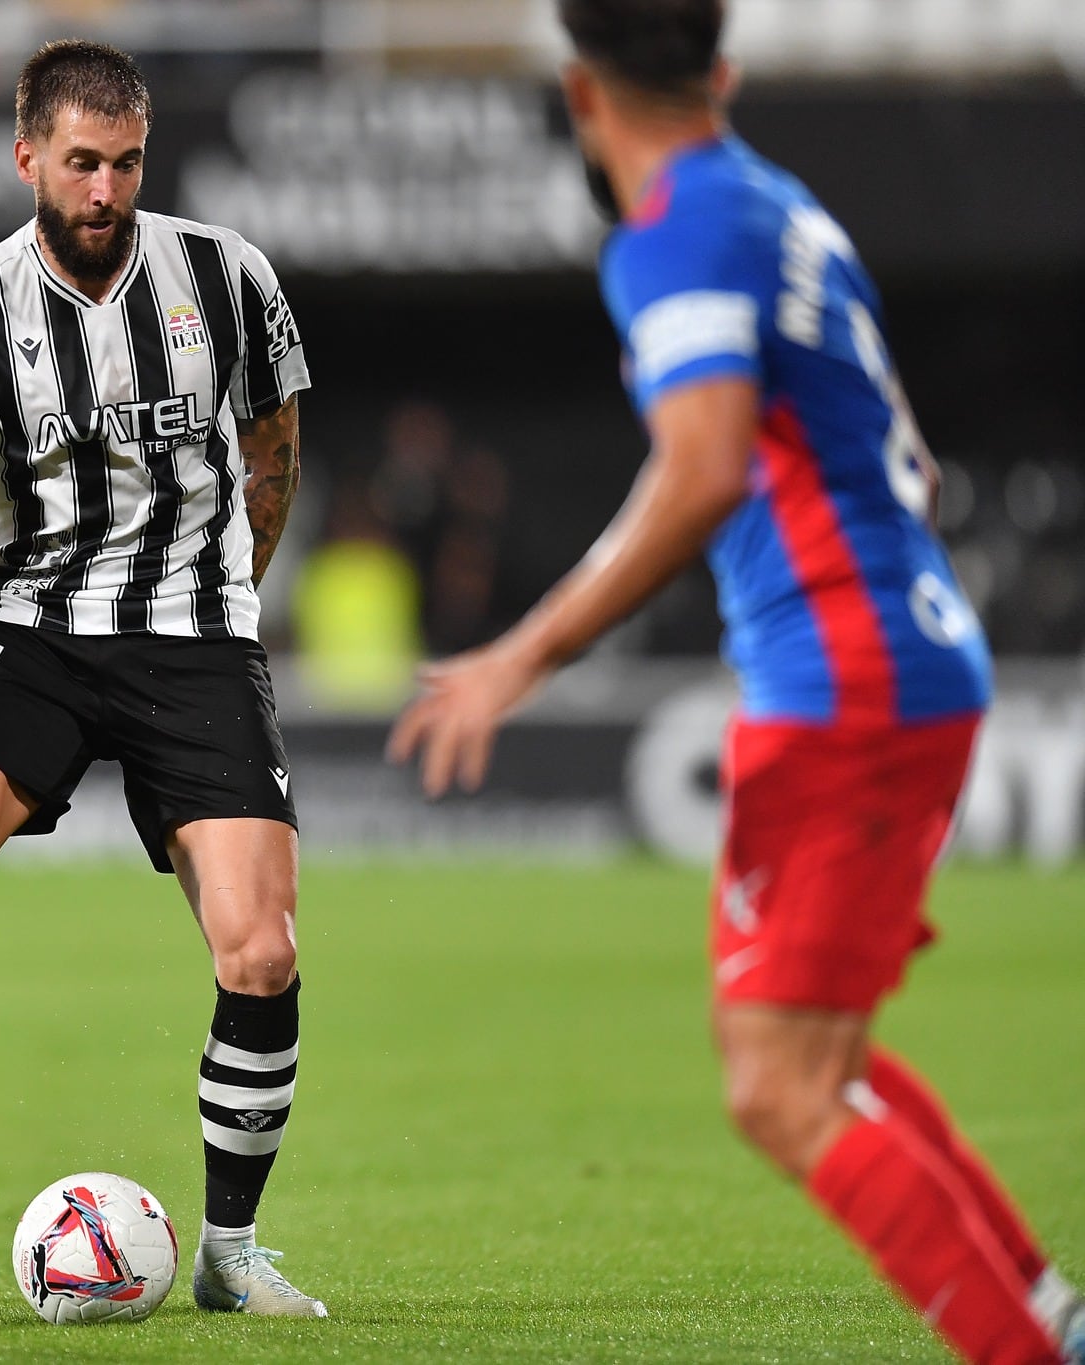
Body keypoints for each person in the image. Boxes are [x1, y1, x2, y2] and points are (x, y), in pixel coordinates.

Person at [389, 4, 1081, 1362]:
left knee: (780, 1090)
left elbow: (702, 467)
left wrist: (523, 650)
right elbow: (913, 464)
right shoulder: (783, 207)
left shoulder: (679, 233)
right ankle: (1049, 1321)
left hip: (841, 679)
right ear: (724, 71)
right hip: (906, 649)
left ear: (583, 94)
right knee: (826, 1063)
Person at [0, 40, 324, 1317]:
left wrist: (233, 592)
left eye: (125, 164)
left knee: (258, 952)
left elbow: (273, 447)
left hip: (194, 635)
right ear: (26, 154)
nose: (103, 191)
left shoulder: (224, 276)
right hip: (29, 627)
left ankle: (228, 1253)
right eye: (80, 164)